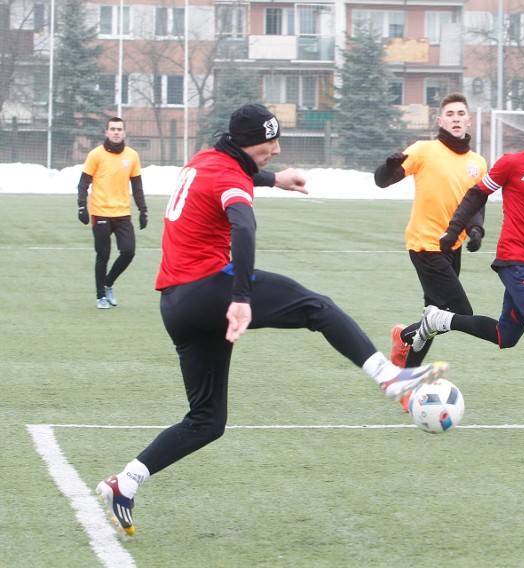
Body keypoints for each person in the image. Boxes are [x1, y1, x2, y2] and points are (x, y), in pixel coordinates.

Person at [95, 103, 449, 536]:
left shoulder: (207, 159)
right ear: (247, 144)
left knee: (207, 421)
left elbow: (240, 175)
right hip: (210, 290)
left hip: (176, 305)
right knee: (316, 307)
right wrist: (241, 297)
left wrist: (274, 179)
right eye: (271, 143)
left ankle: (124, 483)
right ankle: (391, 378)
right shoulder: (228, 176)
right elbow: (243, 226)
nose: (277, 150)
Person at [410, 108, 524, 433]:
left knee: (505, 336)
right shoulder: (512, 162)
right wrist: (455, 231)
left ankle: (438, 320)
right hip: (513, 259)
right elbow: (476, 195)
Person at [373, 93, 487, 410]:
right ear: (440, 121)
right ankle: (406, 336)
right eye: (448, 113)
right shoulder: (424, 150)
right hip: (425, 244)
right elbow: (383, 181)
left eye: (460, 113)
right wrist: (388, 166)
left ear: (468, 120)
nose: (454, 117)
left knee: (433, 319)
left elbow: (477, 205)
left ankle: (404, 380)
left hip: (452, 247)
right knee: (460, 313)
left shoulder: (477, 164)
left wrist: (476, 230)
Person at [77, 117, 147, 309]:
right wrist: (82, 206)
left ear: (124, 133)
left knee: (128, 251)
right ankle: (101, 296)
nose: (116, 132)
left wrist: (143, 210)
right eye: (113, 129)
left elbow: (137, 186)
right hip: (100, 212)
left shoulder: (132, 156)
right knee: (103, 255)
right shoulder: (95, 155)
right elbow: (83, 183)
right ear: (106, 132)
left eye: (119, 129)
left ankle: (107, 283)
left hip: (123, 213)